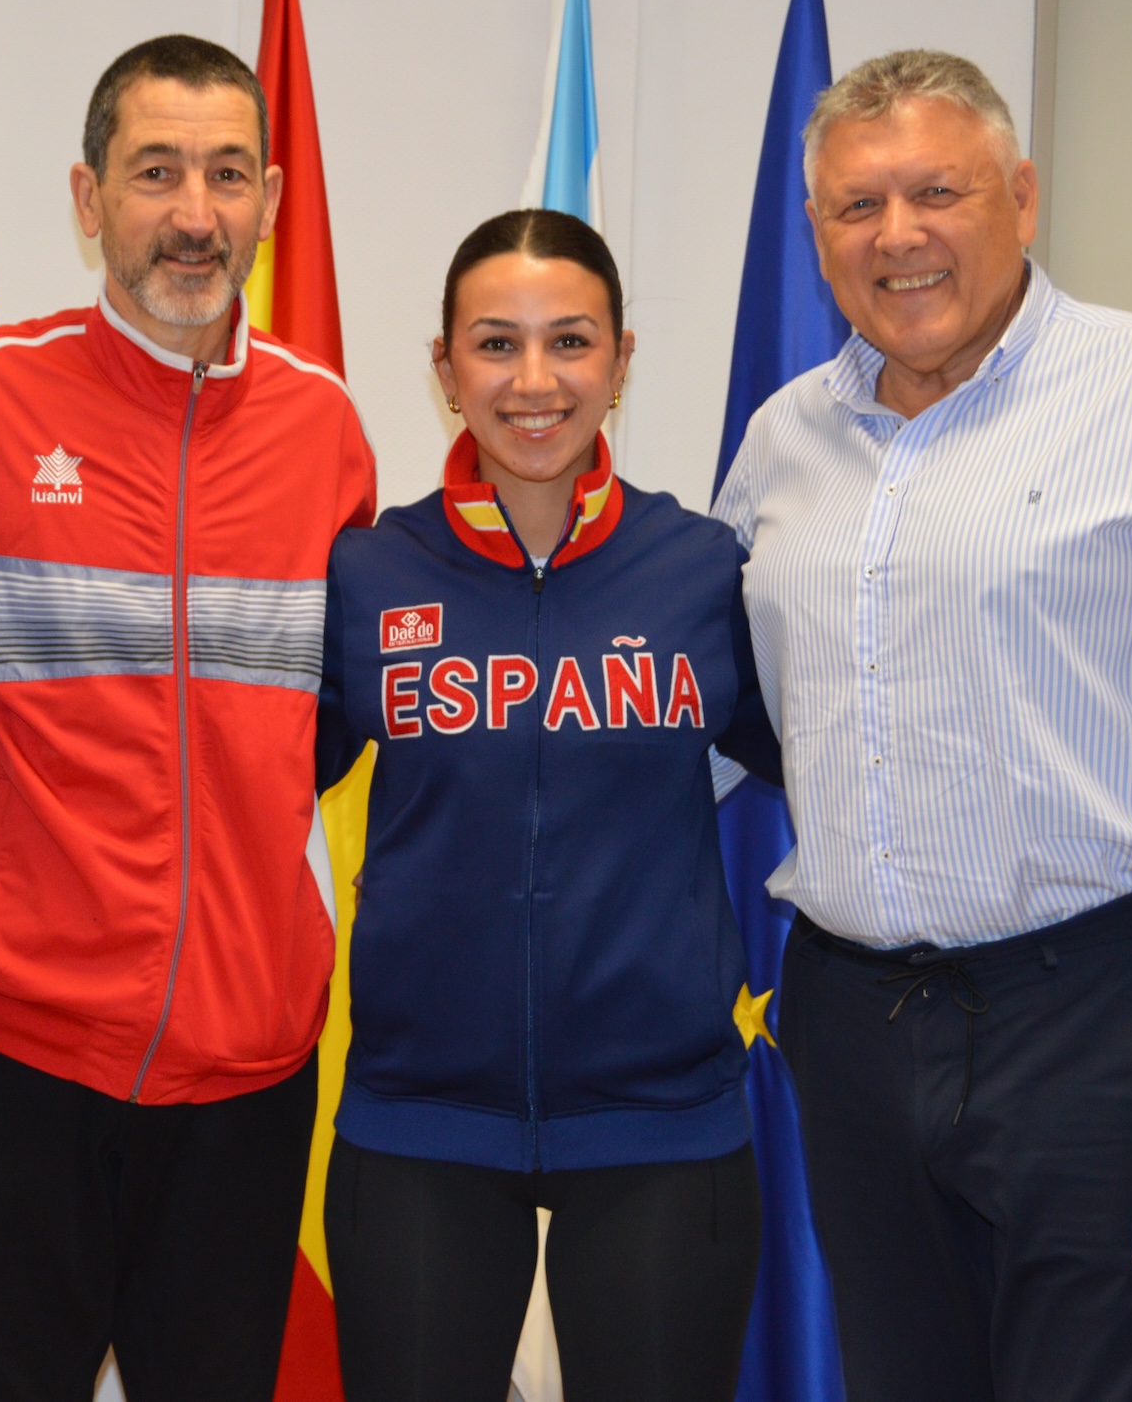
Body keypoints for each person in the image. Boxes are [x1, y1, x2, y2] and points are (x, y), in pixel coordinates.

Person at [714, 49, 1132, 1401]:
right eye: (853, 206)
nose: (895, 235)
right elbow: (725, 726)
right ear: (816, 231)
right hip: (852, 1028)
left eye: (935, 191)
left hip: (1102, 1028)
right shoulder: (782, 441)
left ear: (1018, 197)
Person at [0, 34, 376, 1399]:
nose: (193, 213)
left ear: (270, 198)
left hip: (249, 1056)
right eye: (155, 171)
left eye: (227, 174)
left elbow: (334, 722)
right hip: (17, 1037)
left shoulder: (326, 430)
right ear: (85, 196)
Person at [314, 209, 778, 1402]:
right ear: (442, 366)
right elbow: (247, 788)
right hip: (419, 1116)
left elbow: (839, 762)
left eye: (569, 342)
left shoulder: (704, 569)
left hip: (664, 1120)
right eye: (495, 344)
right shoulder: (366, 574)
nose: (533, 381)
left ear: (620, 362)